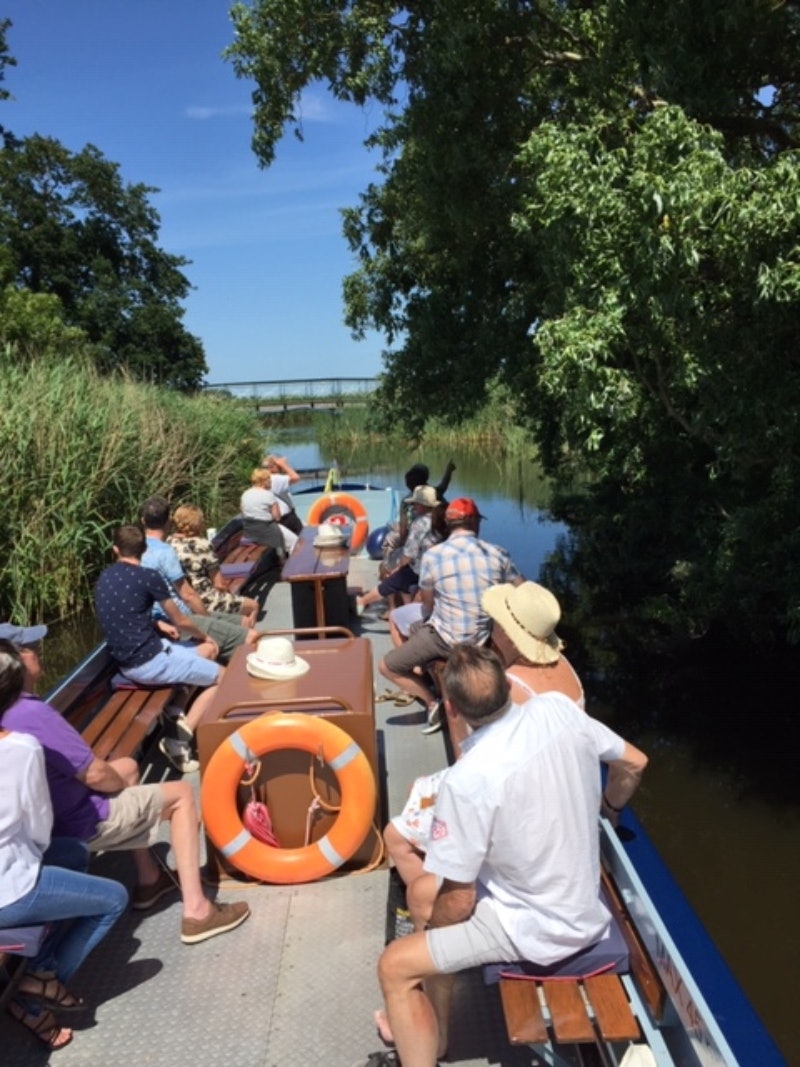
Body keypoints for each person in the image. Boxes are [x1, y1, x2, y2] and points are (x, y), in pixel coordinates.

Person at [360, 644, 648, 1067]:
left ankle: (418, 1050)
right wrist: (610, 810)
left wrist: (430, 936)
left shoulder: (467, 780)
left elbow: (459, 901)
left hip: (537, 928)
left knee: (396, 965)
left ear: (452, 708)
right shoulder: (557, 708)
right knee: (422, 893)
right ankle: (433, 1035)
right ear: (507, 685)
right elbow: (635, 764)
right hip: (576, 898)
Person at [1, 629, 251, 948]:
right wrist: (112, 781)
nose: (38, 653)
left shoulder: (10, 712)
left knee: (130, 768)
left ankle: (149, 879)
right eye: (31, 648)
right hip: (75, 820)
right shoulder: (31, 712)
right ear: (16, 661)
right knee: (182, 795)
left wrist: (117, 777)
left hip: (54, 811)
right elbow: (93, 774)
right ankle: (198, 912)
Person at [383, 581, 585, 918]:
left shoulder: (514, 686)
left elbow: (476, 765)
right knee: (419, 788)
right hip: (548, 785)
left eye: (496, 620)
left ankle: (435, 908)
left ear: (507, 633)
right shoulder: (566, 670)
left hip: (518, 806)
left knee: (395, 835)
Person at [0, 639, 128, 1051]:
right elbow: (39, 828)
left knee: (74, 853)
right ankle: (40, 988)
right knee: (112, 899)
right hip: (8, 889)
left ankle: (37, 968)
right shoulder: (19, 748)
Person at [379, 497, 523, 732]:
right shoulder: (498, 553)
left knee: (388, 664)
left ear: (448, 524)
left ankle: (430, 700)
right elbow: (523, 590)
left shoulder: (433, 556)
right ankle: (426, 672)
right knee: (419, 628)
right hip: (481, 638)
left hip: (444, 640)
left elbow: (427, 605)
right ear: (475, 523)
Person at [94, 524, 225, 773]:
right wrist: (207, 635)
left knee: (206, 653)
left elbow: (126, 613)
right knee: (223, 677)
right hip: (149, 663)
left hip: (134, 659)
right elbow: (182, 620)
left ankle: (176, 710)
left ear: (115, 550)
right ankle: (179, 741)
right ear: (143, 549)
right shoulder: (148, 576)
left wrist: (156, 623)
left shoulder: (104, 577)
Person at [141, 495, 255, 664]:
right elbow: (188, 595)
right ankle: (239, 682)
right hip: (180, 618)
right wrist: (207, 620)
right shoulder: (165, 552)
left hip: (164, 619)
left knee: (242, 623)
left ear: (143, 521)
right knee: (251, 637)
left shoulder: (138, 550)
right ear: (168, 522)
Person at [356, 486, 443, 616]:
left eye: (415, 504)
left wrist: (398, 568)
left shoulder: (420, 523)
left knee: (391, 579)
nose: (414, 507)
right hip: (435, 567)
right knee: (403, 580)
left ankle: (362, 602)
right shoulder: (440, 521)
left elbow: (408, 554)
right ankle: (407, 609)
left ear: (422, 505)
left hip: (421, 569)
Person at [167, 503, 259, 623]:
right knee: (253, 606)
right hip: (206, 600)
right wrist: (231, 594)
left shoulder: (169, 542)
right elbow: (218, 583)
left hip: (180, 599)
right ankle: (244, 637)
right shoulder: (202, 545)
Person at [240, 468, 298, 556]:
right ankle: (288, 564)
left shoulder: (245, 494)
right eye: (269, 480)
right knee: (296, 542)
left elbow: (243, 512)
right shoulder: (268, 495)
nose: (271, 482)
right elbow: (277, 517)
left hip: (250, 530)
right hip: (266, 529)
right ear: (264, 481)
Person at [262, 453, 303, 535]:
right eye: (278, 466)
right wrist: (284, 465)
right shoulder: (274, 479)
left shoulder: (264, 479)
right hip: (286, 518)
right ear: (272, 467)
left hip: (276, 519)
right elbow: (296, 478)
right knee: (303, 539)